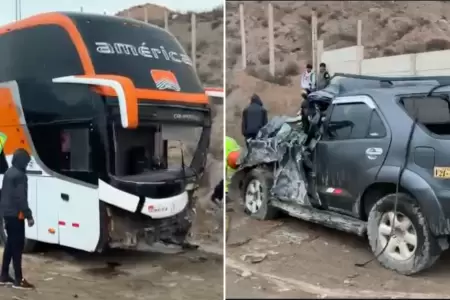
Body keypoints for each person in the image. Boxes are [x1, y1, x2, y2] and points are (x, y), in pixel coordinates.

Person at [0, 148, 34, 289]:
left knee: (9, 245)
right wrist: (29, 215)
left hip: (7, 214)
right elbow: (21, 198)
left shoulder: (8, 172)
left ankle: (4, 276)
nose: (26, 165)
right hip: (16, 215)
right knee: (17, 247)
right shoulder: (20, 175)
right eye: (26, 162)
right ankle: (18, 280)